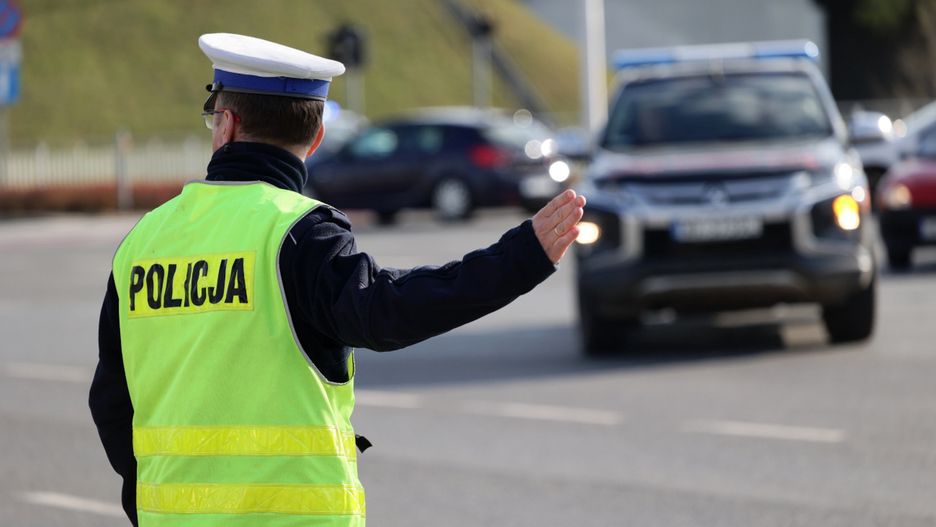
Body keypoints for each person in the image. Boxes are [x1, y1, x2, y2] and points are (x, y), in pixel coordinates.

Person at [89, 33, 586, 527]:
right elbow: (389, 311)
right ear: (317, 137)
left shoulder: (144, 240)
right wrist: (520, 259)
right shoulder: (297, 232)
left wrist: (154, 502)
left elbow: (112, 401)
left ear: (227, 124)